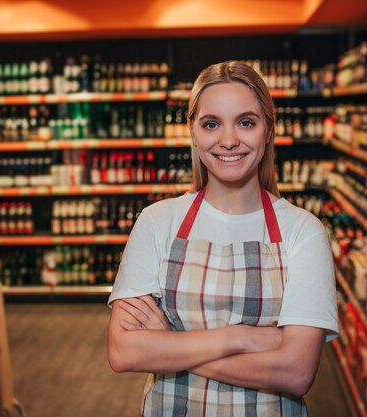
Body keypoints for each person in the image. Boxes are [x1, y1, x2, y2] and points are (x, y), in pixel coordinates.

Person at [107, 60, 338, 417]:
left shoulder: (303, 231)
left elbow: (295, 373)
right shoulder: (157, 221)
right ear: (193, 132)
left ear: (268, 131)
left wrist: (168, 344)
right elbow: (124, 353)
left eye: (246, 122)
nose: (229, 140)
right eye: (211, 124)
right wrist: (239, 338)